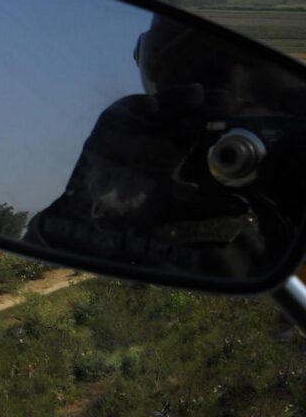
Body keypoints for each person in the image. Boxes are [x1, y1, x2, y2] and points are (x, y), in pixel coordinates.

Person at [25, 14, 306, 281]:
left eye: (264, 90)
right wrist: (95, 194)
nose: (234, 101)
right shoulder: (150, 168)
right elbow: (44, 253)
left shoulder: (289, 186)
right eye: (204, 73)